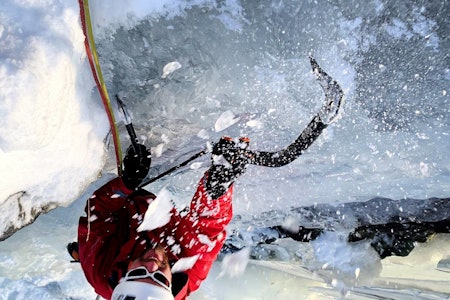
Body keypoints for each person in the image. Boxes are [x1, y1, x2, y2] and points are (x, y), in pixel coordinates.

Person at [68, 136, 250, 300]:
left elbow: (96, 212)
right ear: (170, 284)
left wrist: (126, 184)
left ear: (126, 272)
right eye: (159, 277)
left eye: (139, 272)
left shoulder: (100, 271)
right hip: (162, 216)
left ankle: (80, 251)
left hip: (121, 213)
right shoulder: (189, 272)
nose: (153, 265)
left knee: (87, 247)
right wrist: (217, 188)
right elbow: (208, 228)